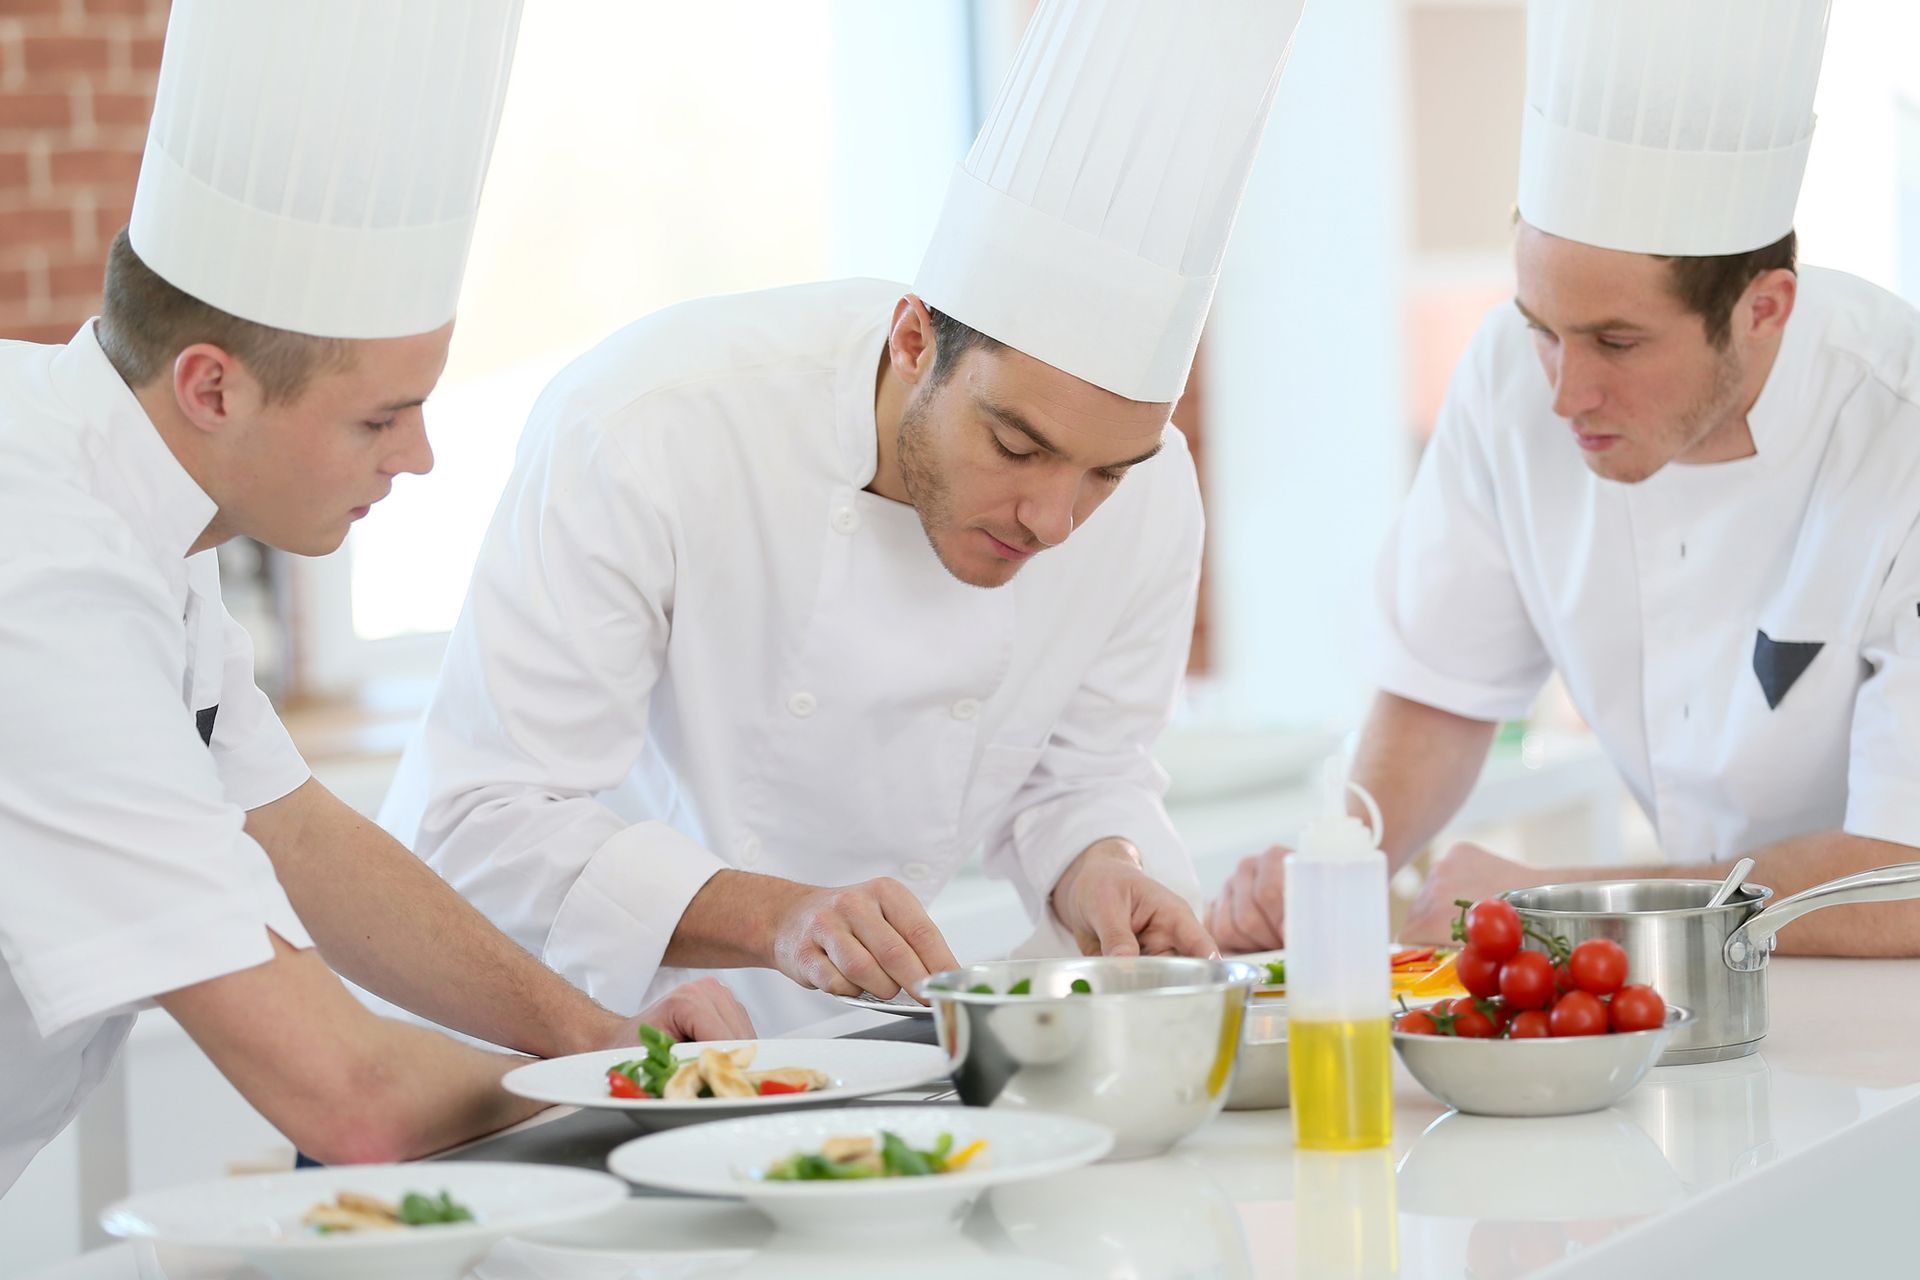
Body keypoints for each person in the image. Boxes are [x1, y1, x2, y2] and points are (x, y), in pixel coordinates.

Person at [380, 0, 1313, 1032]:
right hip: (573, 1030)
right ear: (914, 338)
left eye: (1106, 473)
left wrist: (1104, 866)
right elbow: (480, 821)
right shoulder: (651, 427)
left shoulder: (1157, 488)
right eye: (1016, 444)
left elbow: (1084, 774)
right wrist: (778, 914)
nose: (1053, 517)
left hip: (876, 1052)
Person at [0, 0, 748, 1198]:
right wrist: (632, 1085)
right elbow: (342, 1095)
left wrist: (593, 1033)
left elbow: (293, 831)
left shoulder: (135, 498)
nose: (420, 458)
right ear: (212, 387)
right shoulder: (43, 581)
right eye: (379, 416)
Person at [1208, 0, 1920, 959]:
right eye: (1542, 327)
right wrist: (1337, 865)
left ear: (1765, 308)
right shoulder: (1508, 376)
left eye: (1617, 342)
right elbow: (1440, 690)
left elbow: (1903, 884)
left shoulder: (1897, 429)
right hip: (1704, 981)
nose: (1563, 391)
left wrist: (1573, 901)